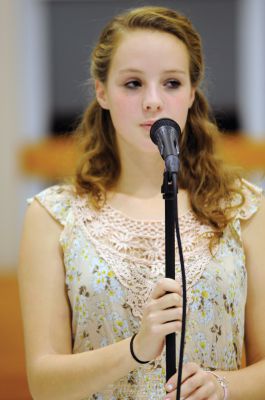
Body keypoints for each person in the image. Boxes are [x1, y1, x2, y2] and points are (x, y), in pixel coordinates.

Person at [18, 6, 265, 400]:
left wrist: (222, 386)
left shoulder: (243, 208)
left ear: (191, 93)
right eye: (133, 83)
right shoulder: (52, 215)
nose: (153, 101)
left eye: (171, 83)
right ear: (102, 91)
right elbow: (44, 384)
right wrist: (134, 348)